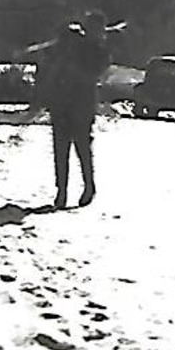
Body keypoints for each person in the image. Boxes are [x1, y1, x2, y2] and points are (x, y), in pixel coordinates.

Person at [32, 12, 111, 209]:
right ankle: (62, 191)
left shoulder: (98, 51)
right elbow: (47, 67)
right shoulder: (69, 46)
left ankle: (88, 186)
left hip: (82, 105)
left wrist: (75, 58)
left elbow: (94, 73)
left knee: (82, 148)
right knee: (61, 150)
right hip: (61, 104)